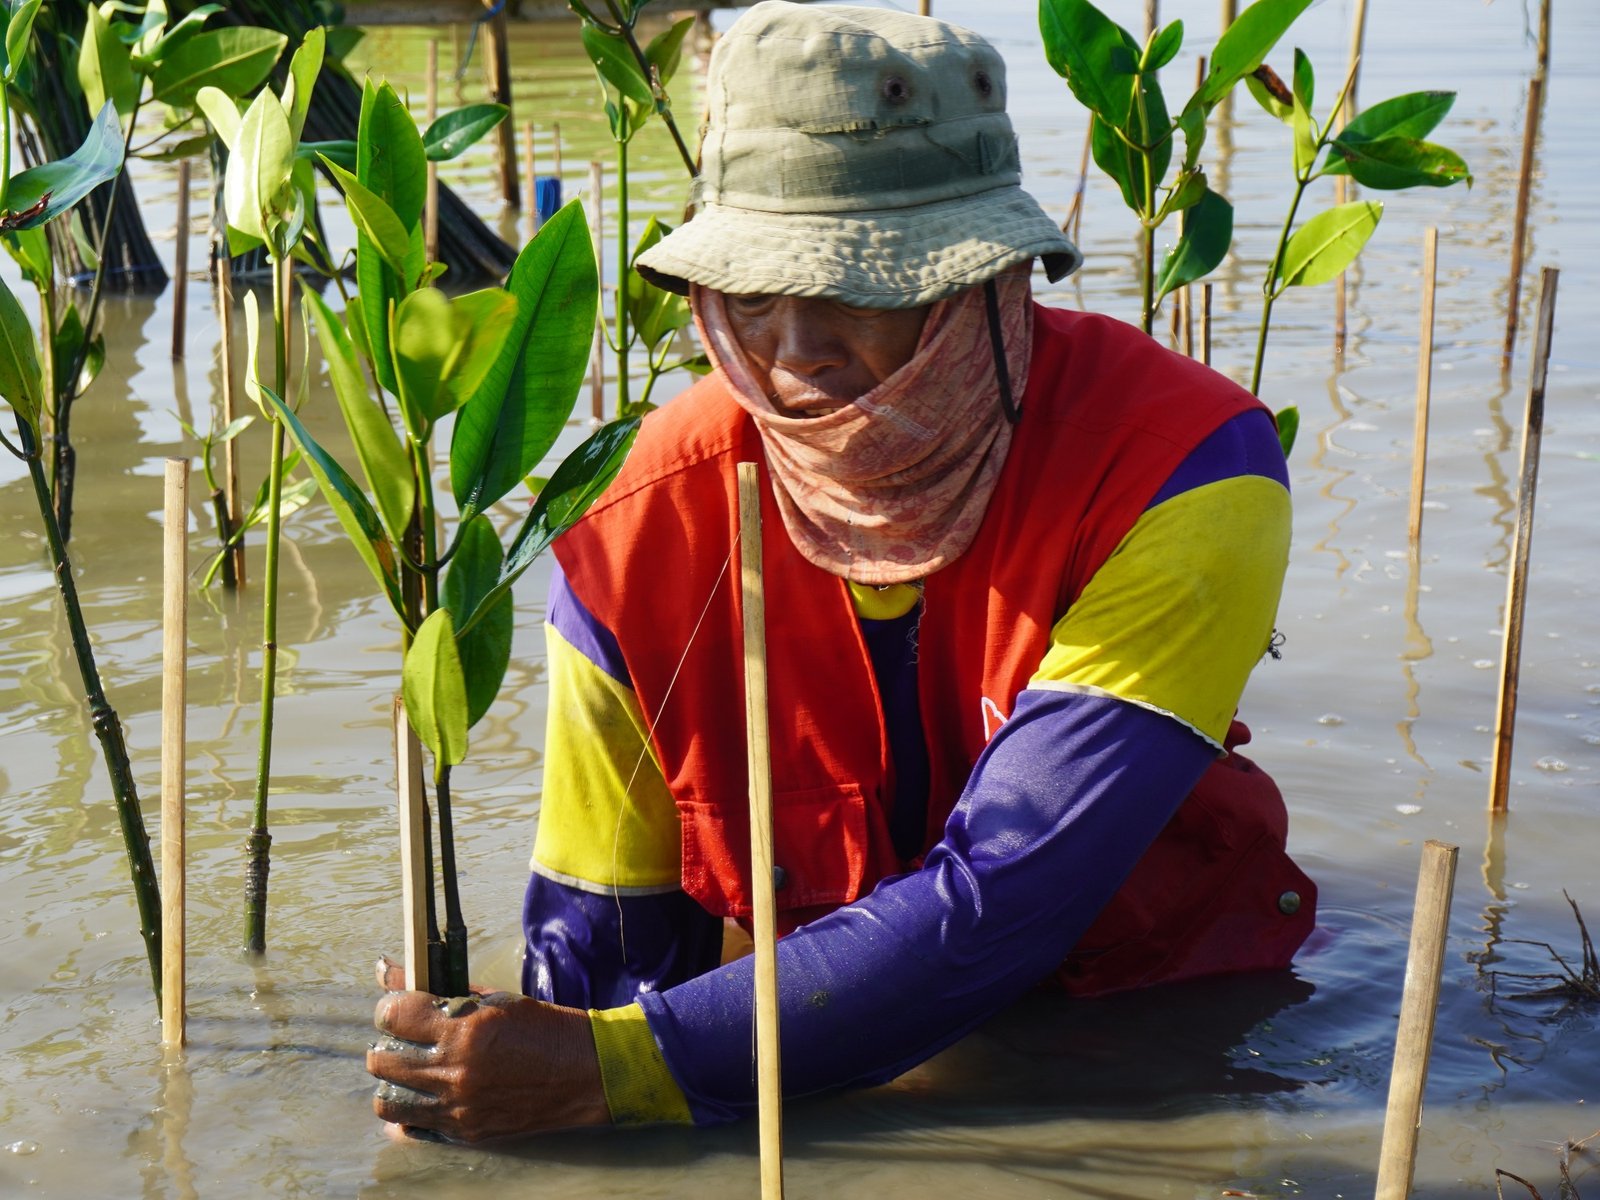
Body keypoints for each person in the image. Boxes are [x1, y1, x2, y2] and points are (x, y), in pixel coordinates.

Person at [366, 0, 1317, 1142]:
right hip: (782, 1030)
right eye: (751, 295)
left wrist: (618, 1069)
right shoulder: (632, 521)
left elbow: (1007, 895)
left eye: (861, 290)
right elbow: (604, 949)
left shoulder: (1184, 470)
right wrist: (507, 1059)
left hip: (1143, 1024)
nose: (794, 349)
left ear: (996, 280)